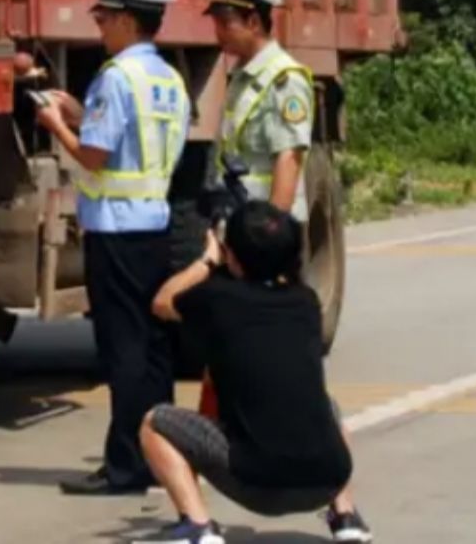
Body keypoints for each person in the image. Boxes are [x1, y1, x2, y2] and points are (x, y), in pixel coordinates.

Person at [38, 0, 188, 496]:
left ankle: (126, 467)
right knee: (153, 351)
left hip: (116, 231)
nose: (99, 27)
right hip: (153, 226)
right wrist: (82, 114)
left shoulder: (115, 78)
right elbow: (133, 140)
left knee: (122, 352)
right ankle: (163, 455)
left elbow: (95, 157)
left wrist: (58, 125)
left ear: (127, 20)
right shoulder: (167, 78)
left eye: (104, 18)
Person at [141, 202, 372, 544]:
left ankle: (197, 525)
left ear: (232, 256)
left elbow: (163, 301)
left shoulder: (217, 299)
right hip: (328, 478)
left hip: (258, 485)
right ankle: (345, 515)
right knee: (326, 405)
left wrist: (207, 260)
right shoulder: (306, 303)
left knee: (155, 423)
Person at [207, 0, 316, 216]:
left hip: (265, 229)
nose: (218, 33)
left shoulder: (284, 79)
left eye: (225, 24)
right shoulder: (242, 75)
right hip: (240, 219)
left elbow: (289, 157)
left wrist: (273, 230)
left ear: (253, 22)